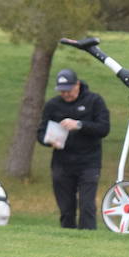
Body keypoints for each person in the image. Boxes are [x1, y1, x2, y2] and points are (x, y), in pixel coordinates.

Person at [37, 68, 110, 229]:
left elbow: (104, 128)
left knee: (86, 205)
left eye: (69, 90)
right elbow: (41, 132)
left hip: (89, 162)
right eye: (62, 91)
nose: (66, 94)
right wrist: (49, 141)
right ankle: (67, 236)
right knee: (66, 207)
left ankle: (88, 238)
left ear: (77, 85)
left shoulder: (94, 101)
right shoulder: (53, 105)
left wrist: (79, 125)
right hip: (62, 162)